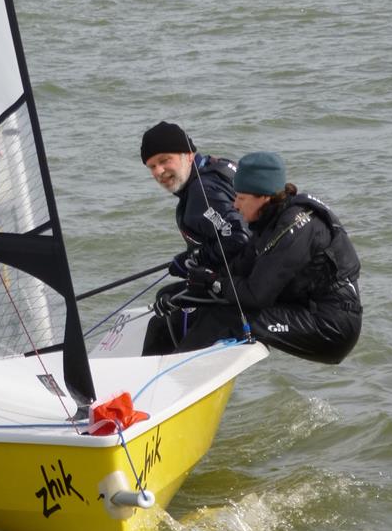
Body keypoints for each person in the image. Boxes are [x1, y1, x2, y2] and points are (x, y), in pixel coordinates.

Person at [152, 150, 362, 363]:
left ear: (264, 196)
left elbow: (255, 295)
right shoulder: (270, 220)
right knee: (195, 313)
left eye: (241, 198)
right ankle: (148, 375)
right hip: (304, 308)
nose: (235, 205)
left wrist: (214, 283)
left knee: (225, 318)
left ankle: (169, 383)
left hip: (332, 327)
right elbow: (238, 269)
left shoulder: (296, 227)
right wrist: (185, 291)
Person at [140, 121, 248, 354]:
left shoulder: (203, 192)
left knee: (162, 320)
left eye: (165, 160)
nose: (158, 171)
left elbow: (239, 238)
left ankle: (164, 384)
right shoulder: (216, 167)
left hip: (241, 293)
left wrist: (195, 259)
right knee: (165, 299)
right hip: (243, 280)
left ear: (188, 155)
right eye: (152, 166)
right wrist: (191, 258)